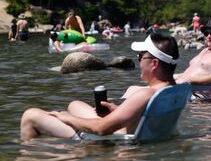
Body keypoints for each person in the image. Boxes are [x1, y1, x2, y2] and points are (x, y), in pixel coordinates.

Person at [20, 33, 179, 140]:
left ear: (154, 64)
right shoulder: (176, 89)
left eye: (140, 57)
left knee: (30, 116)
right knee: (74, 104)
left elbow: (101, 129)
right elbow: (148, 118)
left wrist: (67, 118)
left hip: (110, 143)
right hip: (137, 133)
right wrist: (118, 110)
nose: (138, 60)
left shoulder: (146, 94)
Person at [174, 18, 211, 86]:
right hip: (182, 88)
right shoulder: (205, 50)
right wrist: (173, 77)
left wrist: (185, 81)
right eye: (206, 33)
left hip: (195, 93)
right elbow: (189, 73)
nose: (209, 36)